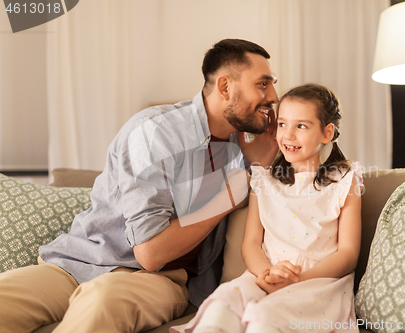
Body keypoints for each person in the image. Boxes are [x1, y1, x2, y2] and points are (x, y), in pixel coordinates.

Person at [0, 39, 279, 333]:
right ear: (225, 87)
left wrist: (258, 164)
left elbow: (150, 260)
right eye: (262, 84)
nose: (273, 96)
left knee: (101, 300)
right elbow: (151, 247)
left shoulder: (243, 153)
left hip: (159, 279)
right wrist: (226, 198)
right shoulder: (156, 132)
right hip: (76, 263)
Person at [171, 83, 363, 333]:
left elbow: (348, 254)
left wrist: (297, 280)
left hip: (317, 283)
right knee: (224, 300)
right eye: (282, 124)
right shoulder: (264, 181)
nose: (288, 135)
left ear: (327, 133)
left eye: (301, 126)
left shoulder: (345, 181)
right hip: (265, 275)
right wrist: (266, 274)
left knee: (265, 317)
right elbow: (250, 243)